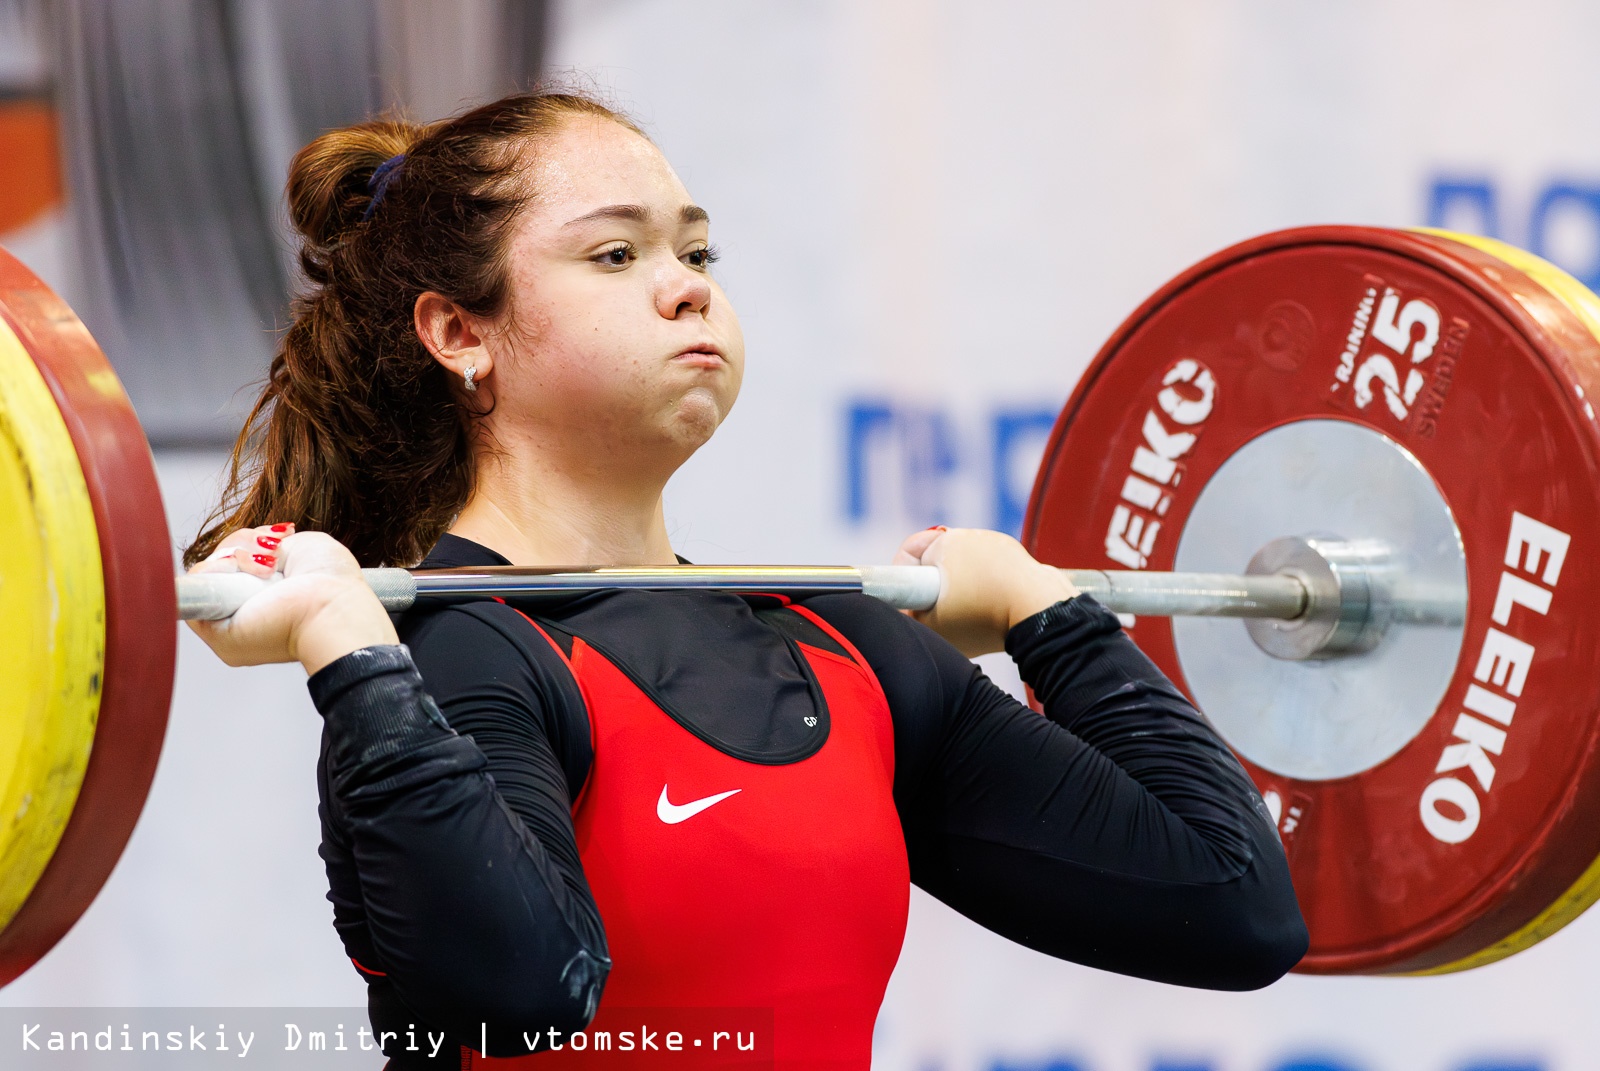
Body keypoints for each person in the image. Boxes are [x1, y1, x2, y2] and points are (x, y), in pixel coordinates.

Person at [184, 90, 1307, 1069]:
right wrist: (352, 652)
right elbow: (517, 999)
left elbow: (1232, 910)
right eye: (616, 255)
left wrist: (1043, 615)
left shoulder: (845, 649)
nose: (684, 290)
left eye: (698, 254)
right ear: (459, 333)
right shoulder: (458, 653)